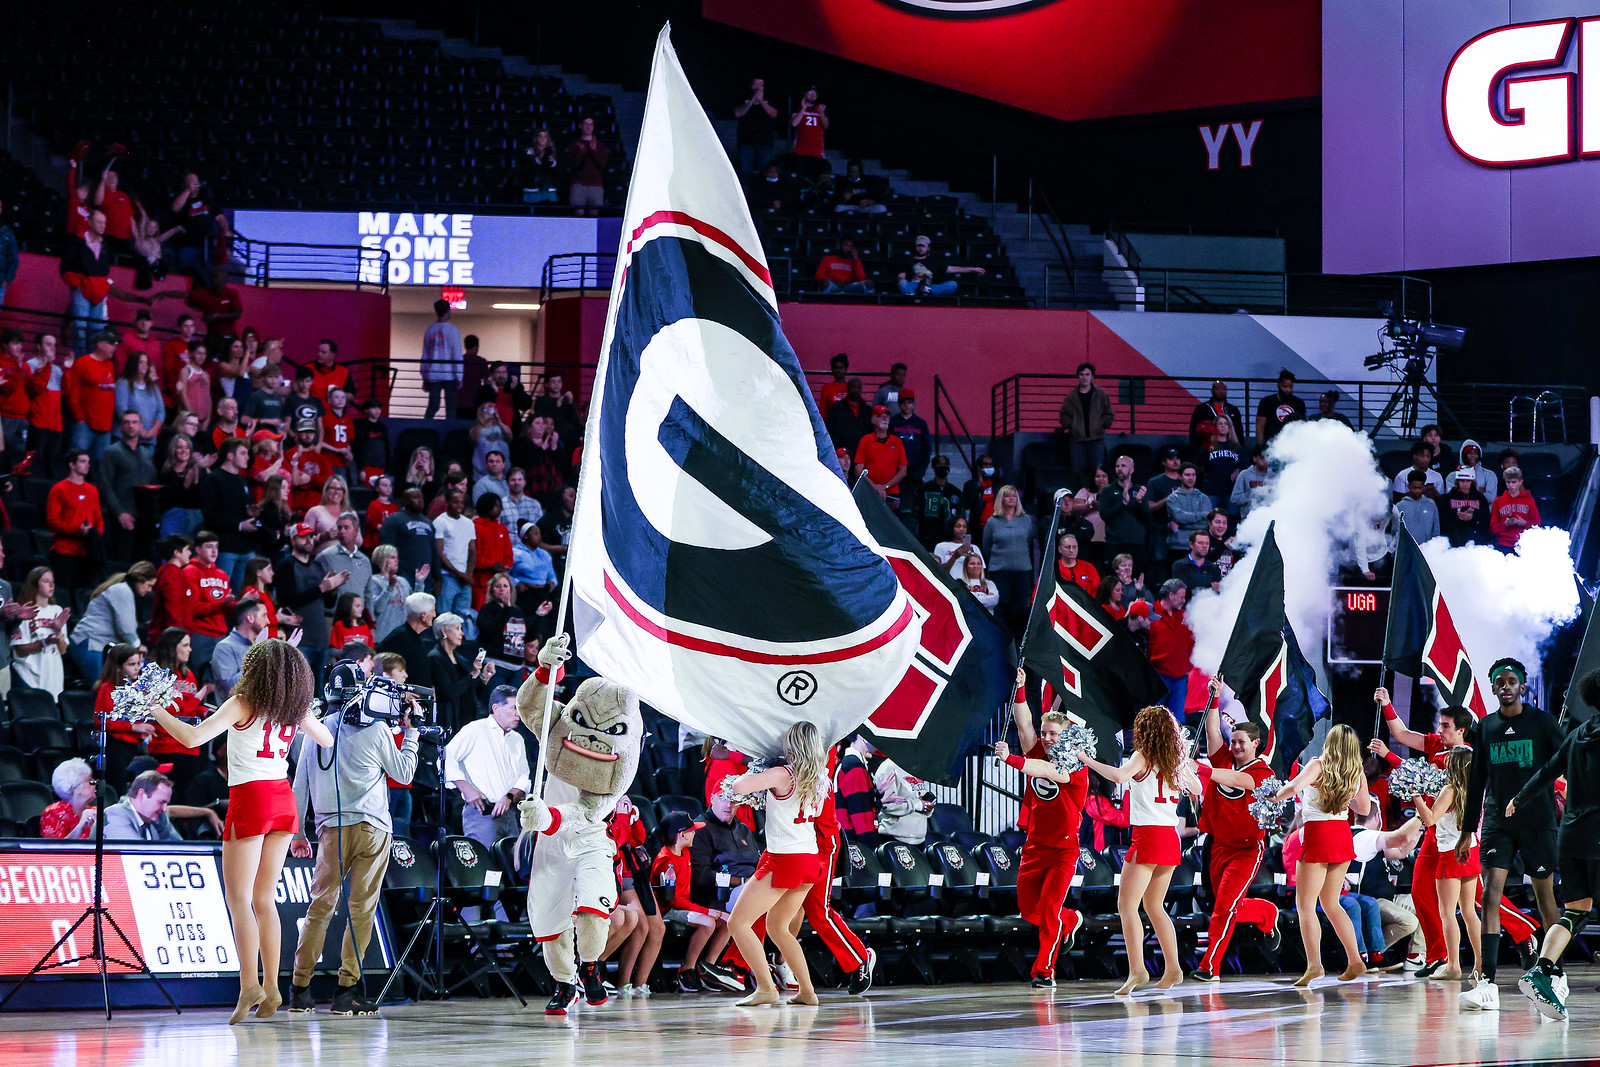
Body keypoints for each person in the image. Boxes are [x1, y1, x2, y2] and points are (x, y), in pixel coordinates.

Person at [147, 640, 334, 1023]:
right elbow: (327, 739)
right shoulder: (293, 708)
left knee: (239, 899)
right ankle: (274, 985)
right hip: (283, 799)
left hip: (250, 797)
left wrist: (155, 710)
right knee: (265, 898)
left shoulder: (243, 702)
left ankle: (249, 983)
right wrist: (304, 714)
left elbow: (191, 738)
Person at [286, 670, 419, 1017]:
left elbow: (299, 785)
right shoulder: (376, 730)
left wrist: (298, 832)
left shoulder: (314, 730)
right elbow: (403, 773)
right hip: (373, 829)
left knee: (320, 907)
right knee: (361, 912)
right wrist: (413, 734)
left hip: (331, 830)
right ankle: (346, 993)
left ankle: (299, 990)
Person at [1457, 657, 1565, 1010]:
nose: (1505, 686)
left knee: (1544, 898)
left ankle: (1555, 974)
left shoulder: (1543, 723)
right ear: (1492, 688)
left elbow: (1565, 763)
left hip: (1537, 821)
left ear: (1522, 686)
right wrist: (1466, 831)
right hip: (1496, 824)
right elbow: (1477, 784)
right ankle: (1487, 983)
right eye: (1499, 681)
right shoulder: (1485, 728)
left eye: (1511, 681)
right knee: (1490, 894)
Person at [1073, 705, 1195, 995]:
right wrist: (1184, 764)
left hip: (1149, 836)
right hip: (1170, 837)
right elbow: (1198, 787)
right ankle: (1174, 967)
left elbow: (1117, 776)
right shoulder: (1175, 761)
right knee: (1154, 907)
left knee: (1126, 906)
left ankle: (1138, 970)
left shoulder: (1142, 756)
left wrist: (1086, 759)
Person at [1510, 669, 1600, 1021]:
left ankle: (1542, 969)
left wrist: (1520, 796)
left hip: (1572, 834)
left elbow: (1547, 769)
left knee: (1577, 908)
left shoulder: (1578, 734)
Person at [992, 669, 1087, 986]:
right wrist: (1019, 689)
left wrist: (1013, 761)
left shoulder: (1074, 766)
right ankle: (1070, 920)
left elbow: (1048, 770)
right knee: (1029, 911)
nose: (1046, 738)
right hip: (1034, 846)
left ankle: (1044, 972)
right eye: (1045, 732)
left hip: (1063, 851)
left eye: (1053, 734)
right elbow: (1022, 725)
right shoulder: (1036, 749)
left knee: (1047, 911)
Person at [723, 721, 826, 1007]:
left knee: (738, 923)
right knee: (778, 928)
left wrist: (760, 768)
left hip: (784, 858)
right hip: (809, 857)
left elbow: (739, 786)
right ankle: (806, 991)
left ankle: (767, 988)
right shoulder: (820, 777)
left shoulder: (783, 774)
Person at [1190, 674, 1280, 982]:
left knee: (1224, 908)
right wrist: (1213, 696)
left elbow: (1234, 781)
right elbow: (1212, 729)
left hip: (1245, 849)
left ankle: (1209, 967)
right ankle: (1267, 914)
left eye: (1241, 742)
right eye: (1234, 741)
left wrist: (1200, 768)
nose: (1236, 746)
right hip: (1217, 845)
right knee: (1225, 908)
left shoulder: (1262, 772)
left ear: (1255, 743)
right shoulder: (1224, 757)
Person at [1271, 724, 1372, 986]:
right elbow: (1364, 807)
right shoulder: (1356, 772)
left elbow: (1293, 788)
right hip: (1341, 834)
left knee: (1305, 905)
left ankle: (1315, 965)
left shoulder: (1318, 765)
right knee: (1332, 904)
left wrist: (1272, 798)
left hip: (1318, 833)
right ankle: (1355, 959)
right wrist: (1345, 790)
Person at [1412, 748, 1482, 983]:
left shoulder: (1449, 790)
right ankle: (1480, 964)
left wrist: (1417, 798)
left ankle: (1453, 965)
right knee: (1470, 912)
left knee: (1447, 913)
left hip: (1450, 855)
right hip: (1471, 851)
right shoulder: (1474, 789)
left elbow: (1430, 819)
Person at [444, 685, 528, 848]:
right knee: (486, 867)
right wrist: (466, 789)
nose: (518, 714)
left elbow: (523, 777)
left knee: (512, 869)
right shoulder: (475, 730)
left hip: (510, 813)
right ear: (496, 708)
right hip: (481, 813)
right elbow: (446, 758)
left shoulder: (517, 739)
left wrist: (509, 797)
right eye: (513, 708)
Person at [277, 522, 348, 682]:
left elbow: (327, 604)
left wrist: (333, 589)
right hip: (299, 639)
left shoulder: (317, 565)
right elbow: (287, 601)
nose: (309, 540)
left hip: (320, 639)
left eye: (310, 536)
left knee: (320, 694)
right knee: (300, 689)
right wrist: (323, 587)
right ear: (293, 540)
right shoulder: (286, 566)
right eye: (303, 537)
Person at [69, 563, 156, 681]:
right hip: (89, 644)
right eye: (149, 585)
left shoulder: (124, 591)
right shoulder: (122, 591)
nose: (149, 590)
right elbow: (126, 628)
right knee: (102, 689)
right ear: (140, 580)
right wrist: (137, 646)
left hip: (98, 647)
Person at [1127, 580, 1192, 719]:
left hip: (1181, 678)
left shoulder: (1184, 616)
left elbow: (1192, 641)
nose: (1183, 600)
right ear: (1171, 595)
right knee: (1154, 718)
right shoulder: (1150, 613)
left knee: (1178, 720)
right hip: (1158, 676)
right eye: (1181, 596)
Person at [982, 485, 1034, 634]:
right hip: (999, 571)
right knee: (1001, 608)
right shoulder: (992, 521)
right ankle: (1002, 640)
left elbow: (1028, 542)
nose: (1011, 498)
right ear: (1001, 499)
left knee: (1020, 608)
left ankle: (1018, 645)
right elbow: (986, 546)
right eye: (1007, 496)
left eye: (1014, 495)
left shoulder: (1026, 520)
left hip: (1023, 571)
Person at [1057, 362, 1115, 489]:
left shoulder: (1101, 395)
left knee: (1097, 471)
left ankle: (1097, 499)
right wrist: (1072, 425)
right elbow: (1063, 414)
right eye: (1082, 374)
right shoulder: (1071, 396)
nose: (1084, 377)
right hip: (1077, 440)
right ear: (1078, 376)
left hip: (1096, 439)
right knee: (1077, 472)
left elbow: (1109, 413)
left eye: (1087, 374)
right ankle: (1079, 500)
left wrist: (1101, 425)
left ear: (1092, 376)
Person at [428, 612, 488, 736]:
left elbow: (472, 692)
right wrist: (472, 675)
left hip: (466, 722)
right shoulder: (435, 658)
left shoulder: (462, 660)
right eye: (457, 628)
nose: (462, 633)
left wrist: (483, 679)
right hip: (448, 723)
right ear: (444, 631)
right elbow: (447, 693)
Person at [11, 566, 67, 698]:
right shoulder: (25, 611)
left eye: (52, 581)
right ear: (35, 584)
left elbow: (63, 650)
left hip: (53, 671)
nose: (52, 585)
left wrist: (58, 631)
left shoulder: (57, 610)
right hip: (29, 674)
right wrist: (44, 642)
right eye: (46, 581)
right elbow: (19, 650)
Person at [184, 531, 235, 674]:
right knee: (200, 677)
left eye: (216, 547)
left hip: (221, 634)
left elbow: (228, 613)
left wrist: (233, 604)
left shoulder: (222, 574)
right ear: (198, 549)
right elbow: (192, 608)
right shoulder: (190, 572)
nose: (214, 551)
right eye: (209, 547)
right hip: (200, 634)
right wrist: (221, 605)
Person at [476, 573, 526, 694]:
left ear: (510, 589)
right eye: (498, 586)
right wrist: (506, 611)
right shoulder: (487, 609)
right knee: (497, 704)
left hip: (516, 668)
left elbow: (525, 636)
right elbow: (492, 632)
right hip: (496, 666)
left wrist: (538, 616)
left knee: (512, 707)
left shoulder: (517, 610)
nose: (502, 589)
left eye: (505, 586)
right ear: (492, 589)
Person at [1099, 454, 1150, 574]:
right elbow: (1104, 515)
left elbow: (1147, 518)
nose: (1120, 469)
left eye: (1123, 466)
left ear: (1132, 469)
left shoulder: (1139, 490)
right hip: (1115, 543)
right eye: (1117, 466)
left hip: (1136, 543)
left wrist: (1139, 502)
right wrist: (1123, 503)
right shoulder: (1108, 490)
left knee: (1136, 578)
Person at [212, 598, 269, 702]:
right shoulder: (224, 647)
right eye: (264, 615)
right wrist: (255, 655)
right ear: (250, 618)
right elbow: (232, 688)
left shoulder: (260, 645)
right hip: (233, 715)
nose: (268, 621)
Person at [433, 487, 477, 617]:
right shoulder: (440, 522)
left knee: (463, 617)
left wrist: (468, 574)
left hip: (465, 577)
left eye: (462, 502)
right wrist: (459, 574)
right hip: (447, 576)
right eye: (455, 502)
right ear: (447, 503)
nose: (459, 505)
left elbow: (473, 551)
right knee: (444, 617)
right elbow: (439, 553)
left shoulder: (469, 523)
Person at [895, 235, 985, 295]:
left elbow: (952, 269)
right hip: (913, 286)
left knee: (952, 284)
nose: (920, 248)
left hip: (929, 287)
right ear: (915, 247)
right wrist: (902, 281)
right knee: (902, 283)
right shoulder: (908, 260)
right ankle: (913, 294)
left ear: (928, 248)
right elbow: (901, 276)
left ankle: (924, 291)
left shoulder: (934, 261)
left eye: (923, 246)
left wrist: (972, 269)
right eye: (918, 246)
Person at [41, 757, 98, 840]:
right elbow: (55, 849)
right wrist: (80, 826)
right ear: (75, 788)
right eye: (89, 780)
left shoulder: (95, 811)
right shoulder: (54, 813)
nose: (95, 782)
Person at [565, 116, 610, 216]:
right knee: (578, 212)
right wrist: (581, 152)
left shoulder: (600, 146)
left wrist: (594, 151)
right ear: (580, 126)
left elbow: (602, 164)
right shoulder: (574, 145)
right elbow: (572, 165)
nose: (588, 127)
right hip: (578, 184)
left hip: (595, 184)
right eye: (586, 124)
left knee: (594, 212)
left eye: (591, 124)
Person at [734, 77, 779, 174]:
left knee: (765, 171)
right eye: (756, 84)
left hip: (765, 142)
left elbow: (774, 114)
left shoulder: (769, 99)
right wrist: (751, 101)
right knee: (746, 171)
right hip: (746, 142)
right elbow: (738, 113)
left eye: (761, 85)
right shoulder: (743, 98)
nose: (758, 87)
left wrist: (761, 101)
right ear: (751, 86)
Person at [1490, 467, 1540, 551]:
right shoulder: (1498, 501)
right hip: (1504, 544)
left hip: (1524, 544)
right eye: (1508, 482)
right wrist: (1505, 524)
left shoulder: (1529, 500)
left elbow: (1537, 525)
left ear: (1520, 482)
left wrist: (1524, 523)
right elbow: (1492, 528)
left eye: (1513, 482)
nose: (1510, 485)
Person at [1188, 380, 1244, 453]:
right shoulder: (1201, 409)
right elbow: (1193, 431)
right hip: (1207, 450)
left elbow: (1239, 431)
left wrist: (1240, 449)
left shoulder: (1233, 410)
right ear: (1211, 391)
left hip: (1230, 449)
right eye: (1217, 389)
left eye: (1224, 389)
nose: (1221, 391)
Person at [1254, 368, 1306, 445]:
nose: (1288, 390)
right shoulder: (1267, 401)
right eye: (1285, 386)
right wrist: (1260, 447)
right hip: (1271, 445)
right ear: (1278, 385)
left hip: (1293, 445)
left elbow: (1302, 426)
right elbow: (1260, 427)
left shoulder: (1299, 402)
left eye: (1291, 387)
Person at [790, 87, 829, 173]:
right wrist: (804, 108)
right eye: (810, 93)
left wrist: (822, 113)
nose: (813, 95)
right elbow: (794, 123)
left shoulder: (821, 109)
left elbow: (826, 126)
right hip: (801, 151)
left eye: (815, 94)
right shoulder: (798, 108)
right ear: (805, 94)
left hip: (817, 151)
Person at [1170, 531, 1221, 596]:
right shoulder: (1180, 565)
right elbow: (1183, 589)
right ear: (1191, 544)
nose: (1204, 546)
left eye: (1207, 543)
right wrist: (1210, 585)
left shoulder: (1214, 568)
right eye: (1200, 543)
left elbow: (1217, 589)